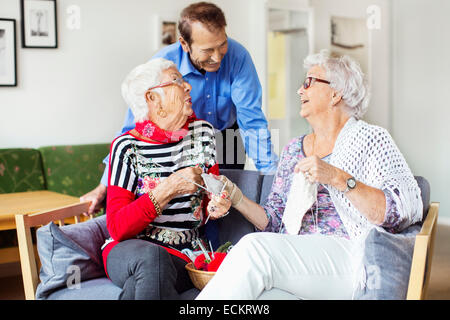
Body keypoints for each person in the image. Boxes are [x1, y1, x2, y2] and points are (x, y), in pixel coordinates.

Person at [195, 50, 423, 300]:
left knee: (253, 247)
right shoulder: (294, 148)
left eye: (309, 82)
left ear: (336, 93)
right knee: (264, 297)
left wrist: (336, 176)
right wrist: (236, 196)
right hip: (302, 264)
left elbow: (396, 212)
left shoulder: (371, 139)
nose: (299, 91)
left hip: (349, 258)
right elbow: (274, 221)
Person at [80, 1, 278, 216]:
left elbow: (252, 121)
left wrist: (273, 178)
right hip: (182, 137)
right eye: (207, 50)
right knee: (185, 202)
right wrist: (104, 185)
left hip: (228, 132)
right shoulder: (163, 65)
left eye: (222, 45)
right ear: (184, 43)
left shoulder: (239, 57)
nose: (218, 56)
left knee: (224, 201)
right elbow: (133, 127)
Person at [101, 57, 229, 299]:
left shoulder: (203, 134)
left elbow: (211, 200)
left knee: (139, 287)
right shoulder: (126, 147)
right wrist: (168, 188)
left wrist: (218, 204)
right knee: (152, 258)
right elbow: (117, 227)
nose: (188, 86)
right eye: (177, 81)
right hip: (130, 250)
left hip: (185, 255)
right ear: (153, 98)